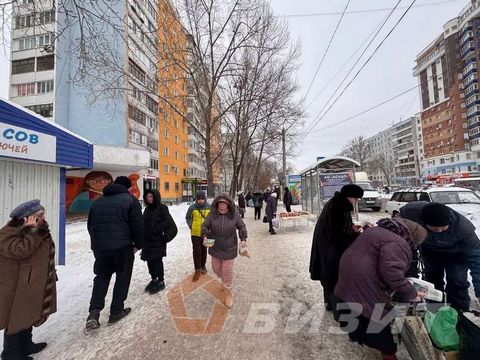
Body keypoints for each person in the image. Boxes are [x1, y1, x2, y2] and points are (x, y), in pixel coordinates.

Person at [334, 218, 427, 360]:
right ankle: (388, 353)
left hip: (350, 272)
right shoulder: (399, 242)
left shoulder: (381, 230)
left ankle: (363, 336)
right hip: (362, 278)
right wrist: (413, 294)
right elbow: (392, 274)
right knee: (377, 314)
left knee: (362, 309)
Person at [85, 176, 144, 331]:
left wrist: (98, 244)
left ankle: (94, 313)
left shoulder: (97, 201)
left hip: (100, 248)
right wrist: (138, 245)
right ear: (127, 187)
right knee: (122, 277)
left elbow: (90, 225)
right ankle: (116, 311)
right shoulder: (130, 200)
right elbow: (138, 226)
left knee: (102, 277)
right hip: (122, 246)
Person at [0, 200, 56, 360]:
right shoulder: (8, 233)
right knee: (17, 318)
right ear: (26, 218)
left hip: (31, 281)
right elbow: (20, 251)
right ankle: (11, 354)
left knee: (29, 314)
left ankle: (26, 345)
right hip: (17, 285)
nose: (43, 217)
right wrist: (32, 231)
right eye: (39, 215)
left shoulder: (38, 229)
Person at [400, 202, 480, 311]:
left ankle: (458, 311)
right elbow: (399, 224)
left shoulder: (464, 230)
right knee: (432, 279)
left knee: (457, 279)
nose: (439, 231)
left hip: (457, 253)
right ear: (424, 223)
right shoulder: (411, 213)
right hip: (430, 251)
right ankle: (434, 309)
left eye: (443, 228)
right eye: (435, 229)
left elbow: (477, 261)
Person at [309, 184, 364, 311]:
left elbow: (335, 226)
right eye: (356, 199)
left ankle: (330, 305)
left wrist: (350, 226)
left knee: (329, 279)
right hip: (332, 252)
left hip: (327, 249)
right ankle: (338, 311)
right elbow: (339, 234)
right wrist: (356, 234)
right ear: (350, 197)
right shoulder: (339, 207)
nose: (356, 202)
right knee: (335, 279)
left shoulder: (336, 203)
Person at [201, 193, 248, 309]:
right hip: (215, 246)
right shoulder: (212, 214)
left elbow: (242, 226)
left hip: (229, 247)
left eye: (224, 204)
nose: (222, 206)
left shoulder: (234, 215)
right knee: (216, 269)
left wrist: (243, 238)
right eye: (220, 204)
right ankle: (224, 280)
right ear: (217, 205)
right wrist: (205, 235)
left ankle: (228, 293)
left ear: (228, 205)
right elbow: (205, 226)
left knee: (227, 270)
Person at [141, 189, 178, 294]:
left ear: (156, 197)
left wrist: (156, 229)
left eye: (151, 197)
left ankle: (161, 281)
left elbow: (167, 221)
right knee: (149, 261)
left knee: (157, 261)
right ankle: (154, 279)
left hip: (157, 240)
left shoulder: (162, 208)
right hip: (147, 241)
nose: (149, 199)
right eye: (147, 197)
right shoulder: (147, 209)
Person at [185, 191, 211, 282]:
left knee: (204, 250)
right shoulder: (192, 207)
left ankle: (203, 266)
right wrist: (191, 226)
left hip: (206, 234)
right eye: (199, 199)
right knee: (197, 251)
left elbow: (212, 219)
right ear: (196, 199)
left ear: (205, 199)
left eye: (202, 199)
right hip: (195, 233)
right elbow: (187, 217)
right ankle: (197, 269)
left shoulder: (209, 207)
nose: (200, 201)